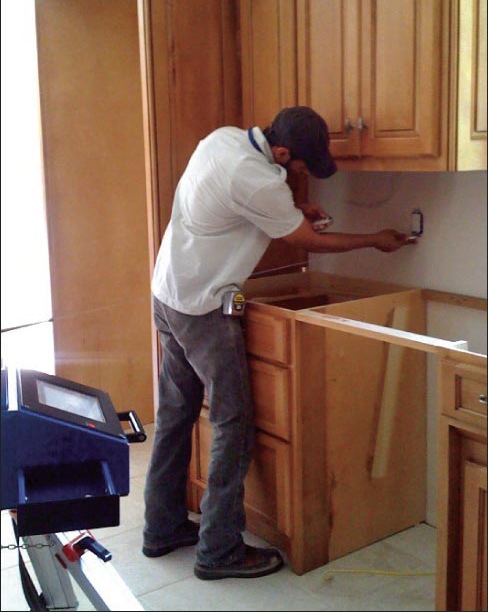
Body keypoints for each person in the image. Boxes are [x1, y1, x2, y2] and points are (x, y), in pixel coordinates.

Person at [142, 106, 414, 581]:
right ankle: (219, 550)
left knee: (175, 413)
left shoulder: (223, 138)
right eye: (303, 165)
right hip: (204, 308)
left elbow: (242, 205)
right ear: (283, 151)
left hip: (168, 293)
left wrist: (295, 210)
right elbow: (310, 242)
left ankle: (161, 527)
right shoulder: (259, 181)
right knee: (234, 424)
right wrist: (375, 239)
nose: (305, 174)